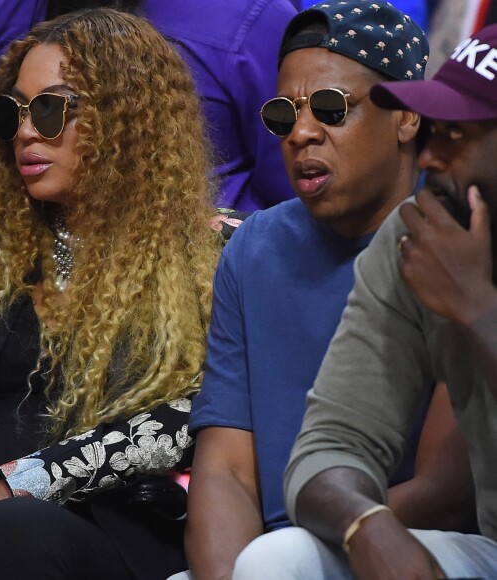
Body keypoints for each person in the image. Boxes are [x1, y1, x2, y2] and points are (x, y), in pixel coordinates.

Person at [0, 8, 222, 579]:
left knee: (11, 535)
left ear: (127, 119)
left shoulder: (212, 255)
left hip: (94, 532)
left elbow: (192, 417)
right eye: (13, 112)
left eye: (53, 109)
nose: (27, 132)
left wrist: (16, 488)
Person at [182, 3, 475, 580]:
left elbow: (444, 489)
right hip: (278, 555)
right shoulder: (254, 246)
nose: (302, 132)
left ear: (408, 117)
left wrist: (316, 541)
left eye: (330, 108)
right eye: (282, 115)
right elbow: (226, 474)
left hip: (418, 543)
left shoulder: (451, 239)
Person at [261, 22, 497, 580]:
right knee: (278, 561)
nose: (429, 157)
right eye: (432, 129)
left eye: (457, 137)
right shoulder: (420, 237)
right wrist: (366, 524)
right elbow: (331, 445)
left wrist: (475, 310)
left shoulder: (453, 272)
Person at [0, 0, 298, 210]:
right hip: (25, 266)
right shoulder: (11, 12)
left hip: (190, 282)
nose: (27, 131)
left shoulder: (245, 18)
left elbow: (295, 194)